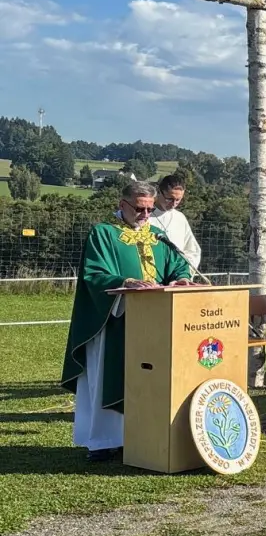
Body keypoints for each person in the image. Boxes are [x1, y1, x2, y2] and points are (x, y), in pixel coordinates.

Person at [62, 182, 196, 462]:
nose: (146, 214)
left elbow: (178, 264)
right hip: (114, 320)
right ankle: (103, 441)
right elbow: (94, 274)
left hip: (153, 322)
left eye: (149, 209)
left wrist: (182, 277)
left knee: (145, 379)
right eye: (139, 208)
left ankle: (136, 437)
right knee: (108, 375)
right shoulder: (104, 234)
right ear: (122, 204)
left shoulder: (158, 236)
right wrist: (124, 282)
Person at [148, 174, 201, 275]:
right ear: (159, 192)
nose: (173, 204)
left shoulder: (180, 217)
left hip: (176, 277)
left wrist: (184, 274)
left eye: (178, 200)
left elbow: (193, 250)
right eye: (170, 199)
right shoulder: (144, 215)